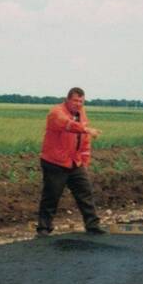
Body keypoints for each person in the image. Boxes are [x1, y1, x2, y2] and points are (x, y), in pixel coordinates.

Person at [36, 87, 106, 236]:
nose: (78, 104)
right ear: (67, 99)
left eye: (81, 101)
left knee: (85, 192)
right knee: (51, 196)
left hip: (75, 162)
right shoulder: (56, 112)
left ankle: (92, 225)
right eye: (75, 100)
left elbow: (84, 141)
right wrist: (86, 130)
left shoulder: (82, 114)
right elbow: (67, 125)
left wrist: (85, 161)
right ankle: (43, 228)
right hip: (55, 161)